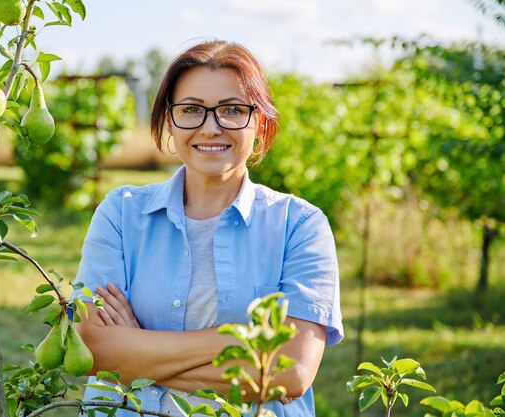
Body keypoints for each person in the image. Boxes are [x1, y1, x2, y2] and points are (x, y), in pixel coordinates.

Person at [72, 39, 343, 417]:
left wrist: (137, 350)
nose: (210, 127)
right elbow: (91, 350)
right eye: (191, 110)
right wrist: (237, 341)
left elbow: (292, 373)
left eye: (232, 110)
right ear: (170, 120)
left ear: (260, 121)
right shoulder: (121, 213)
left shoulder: (299, 226)